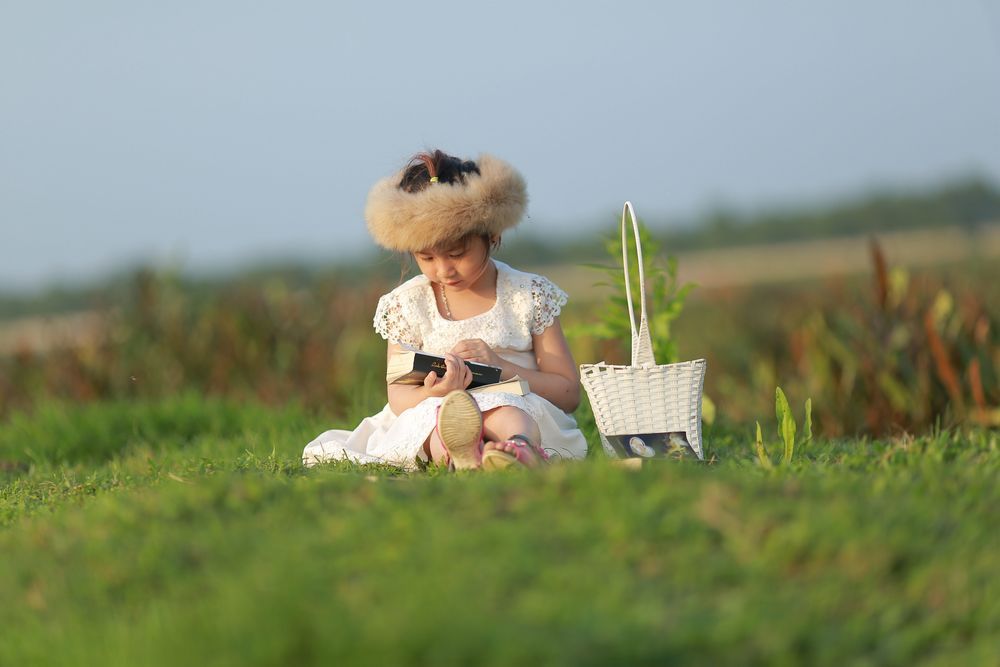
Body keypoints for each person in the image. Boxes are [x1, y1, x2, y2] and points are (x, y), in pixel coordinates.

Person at [303, 150, 588, 470]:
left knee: (506, 410)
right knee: (435, 421)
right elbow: (398, 398)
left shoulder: (527, 295)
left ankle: (517, 450)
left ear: (491, 234)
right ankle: (459, 456)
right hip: (438, 409)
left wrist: (501, 368)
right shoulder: (408, 304)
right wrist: (434, 393)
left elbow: (567, 392)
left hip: (515, 404)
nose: (444, 270)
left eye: (457, 253)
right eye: (427, 258)